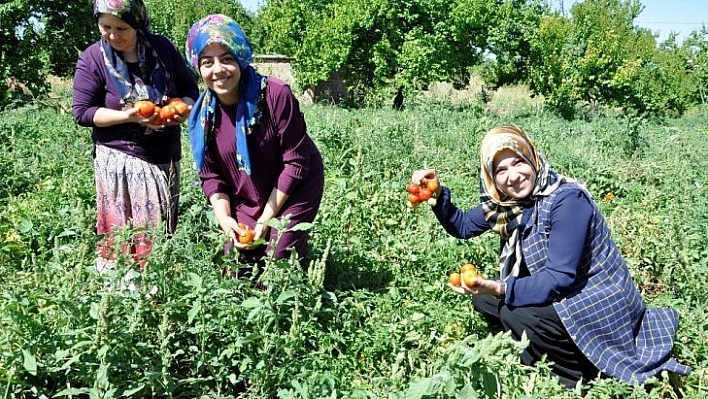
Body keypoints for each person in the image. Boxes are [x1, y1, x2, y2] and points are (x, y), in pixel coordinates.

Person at [411, 125, 691, 388]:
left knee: (514, 311)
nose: (513, 176)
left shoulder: (567, 201)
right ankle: (542, 347)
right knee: (483, 298)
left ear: (533, 159)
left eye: (519, 162)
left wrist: (501, 287)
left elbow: (560, 277)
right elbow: (462, 226)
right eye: (501, 170)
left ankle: (579, 376)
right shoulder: (507, 204)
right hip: (560, 287)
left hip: (596, 296)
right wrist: (435, 193)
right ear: (491, 176)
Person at [184, 14, 324, 268]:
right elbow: (211, 176)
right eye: (207, 62)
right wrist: (225, 218)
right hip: (249, 189)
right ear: (198, 67)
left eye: (227, 59)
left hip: (296, 183)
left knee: (277, 259)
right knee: (237, 265)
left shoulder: (274, 95)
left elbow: (295, 163)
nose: (218, 70)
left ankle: (296, 264)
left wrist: (265, 220)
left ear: (240, 58)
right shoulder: (201, 118)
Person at [72, 0, 199, 269]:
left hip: (165, 157)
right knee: (123, 234)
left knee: (160, 229)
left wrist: (182, 109)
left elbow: (190, 88)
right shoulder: (93, 58)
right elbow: (83, 112)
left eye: (122, 27)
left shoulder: (162, 49)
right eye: (105, 26)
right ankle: (119, 293)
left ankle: (155, 294)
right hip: (121, 158)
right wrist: (128, 116)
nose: (113, 35)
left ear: (138, 23)